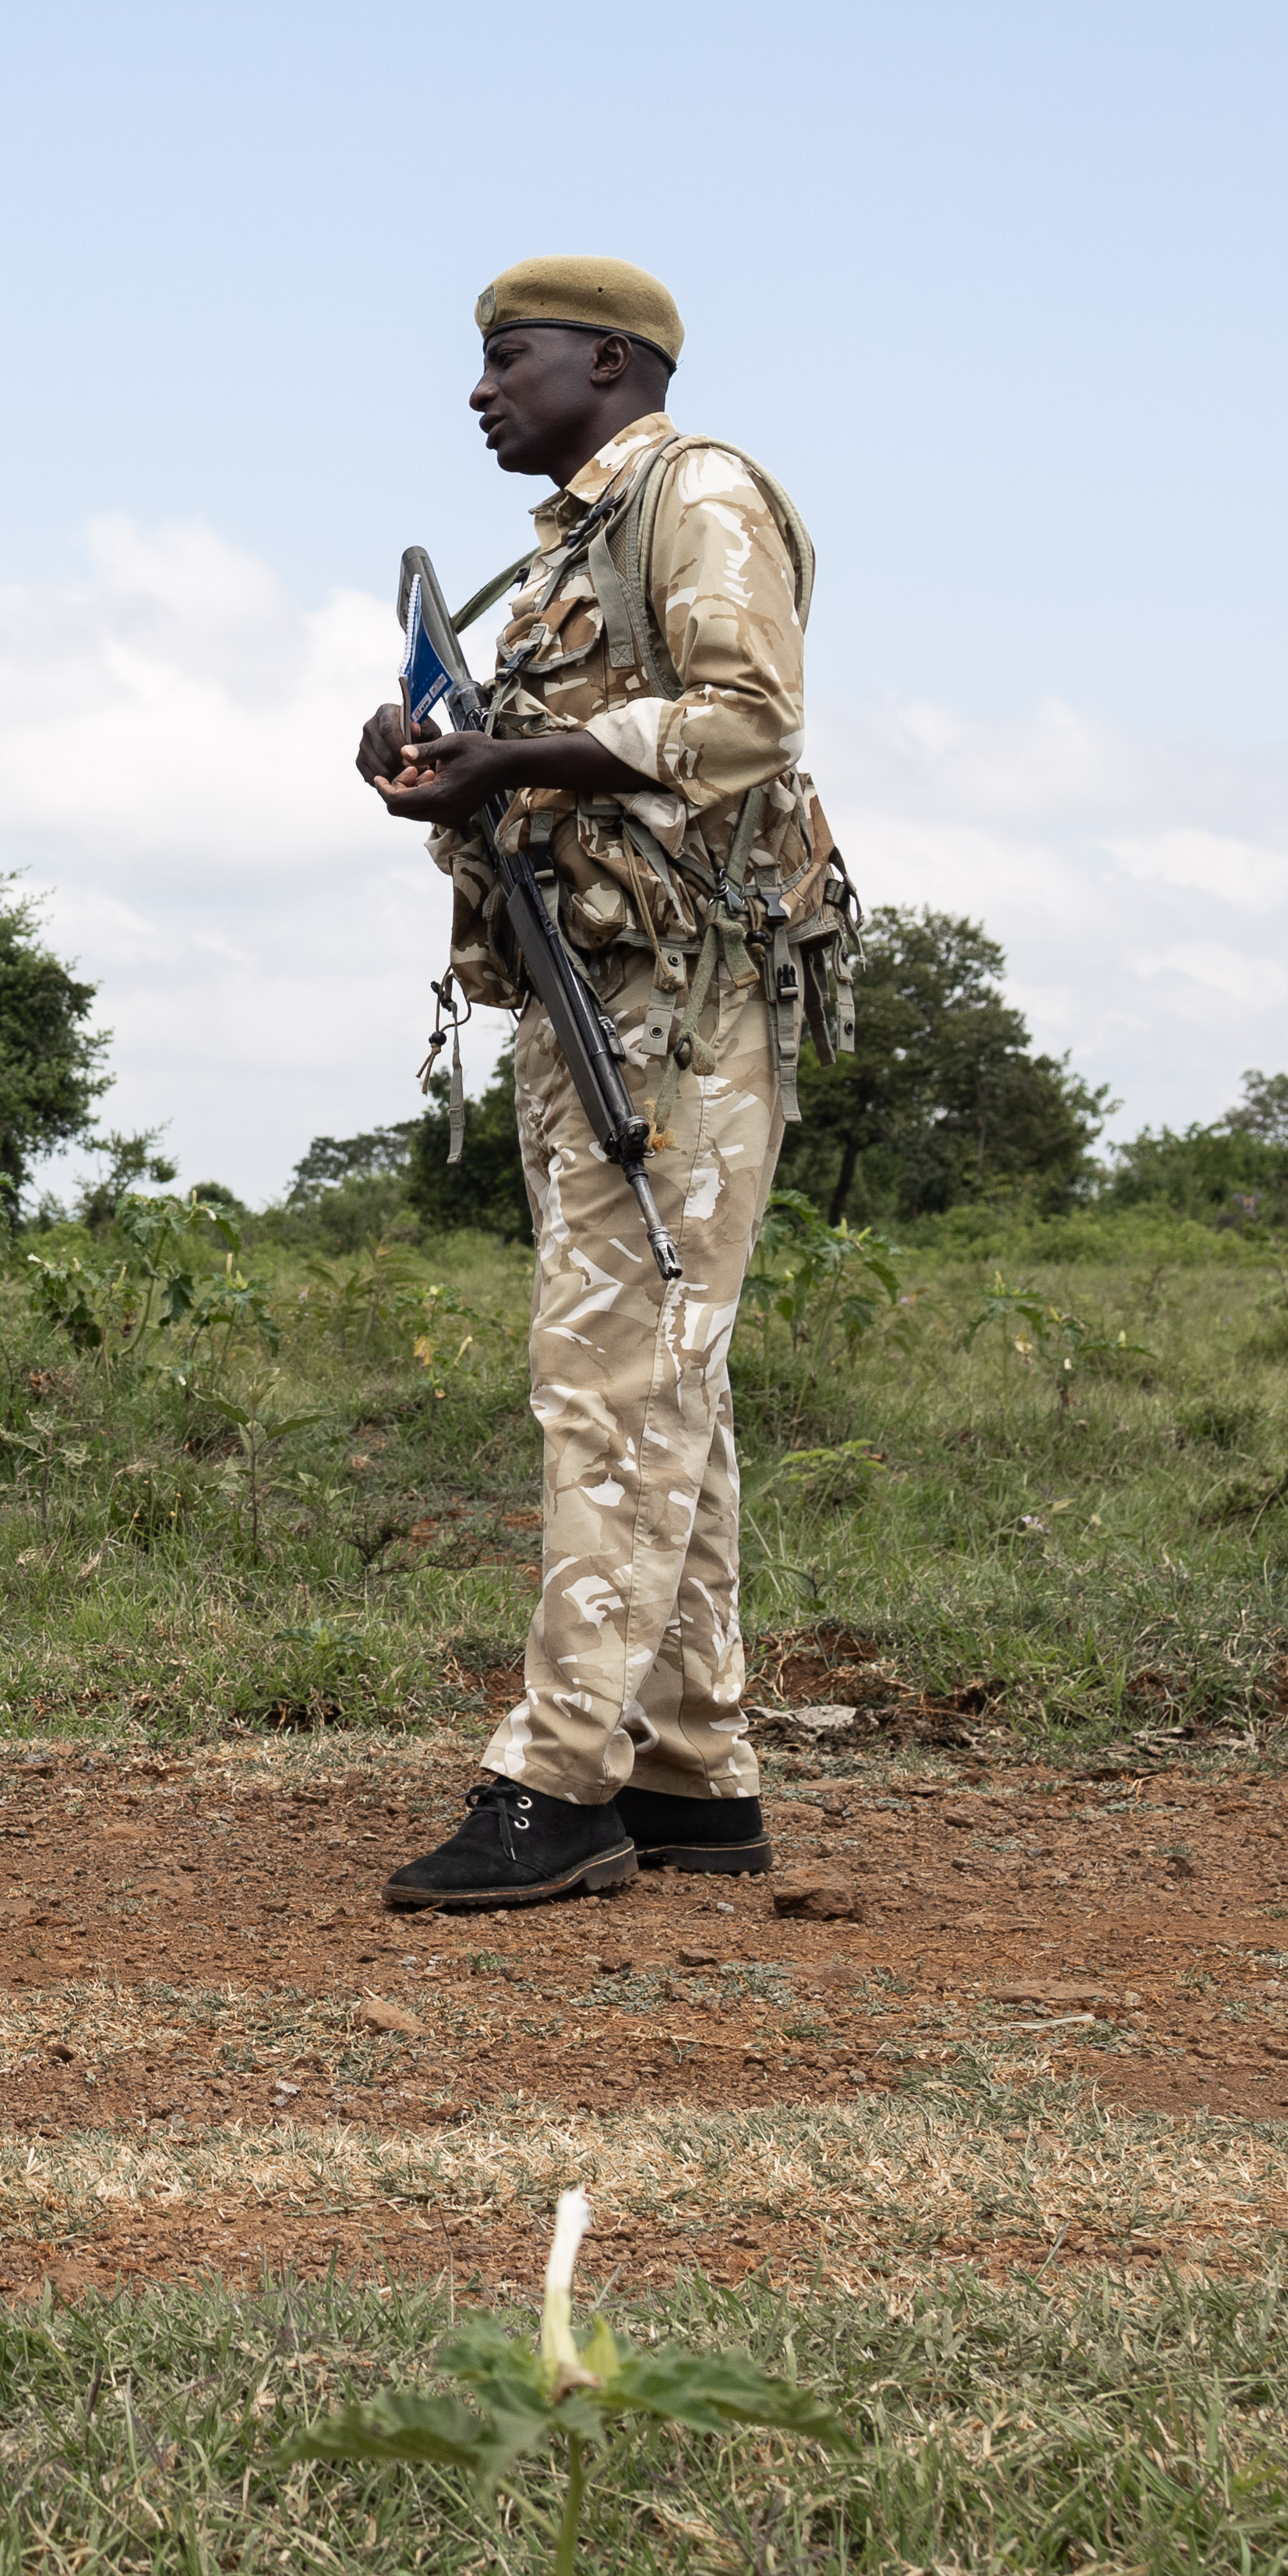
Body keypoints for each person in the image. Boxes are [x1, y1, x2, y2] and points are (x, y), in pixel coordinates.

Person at [355, 254, 851, 1912]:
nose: (483, 389)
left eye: (511, 358)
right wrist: (451, 763)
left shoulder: (693, 494)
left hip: (684, 1011)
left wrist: (524, 755)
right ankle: (691, 1772)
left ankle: (557, 1780)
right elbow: (577, 758)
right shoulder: (560, 547)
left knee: (614, 1385)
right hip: (595, 1007)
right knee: (667, 1394)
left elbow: (748, 718)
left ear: (614, 361)